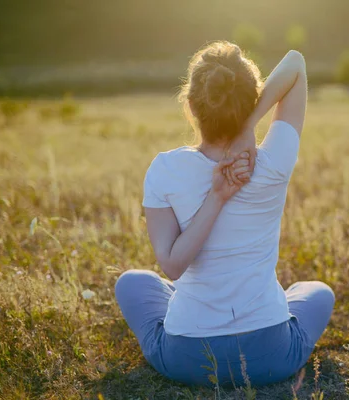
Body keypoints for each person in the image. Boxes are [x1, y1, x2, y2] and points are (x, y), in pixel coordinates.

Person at [115, 41, 334, 387]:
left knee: (131, 281)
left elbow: (172, 266)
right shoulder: (273, 161)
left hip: (189, 360)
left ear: (190, 106)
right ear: (252, 102)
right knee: (318, 291)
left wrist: (221, 185)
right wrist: (248, 129)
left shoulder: (164, 169)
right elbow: (295, 63)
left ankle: (190, 310)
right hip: (270, 357)